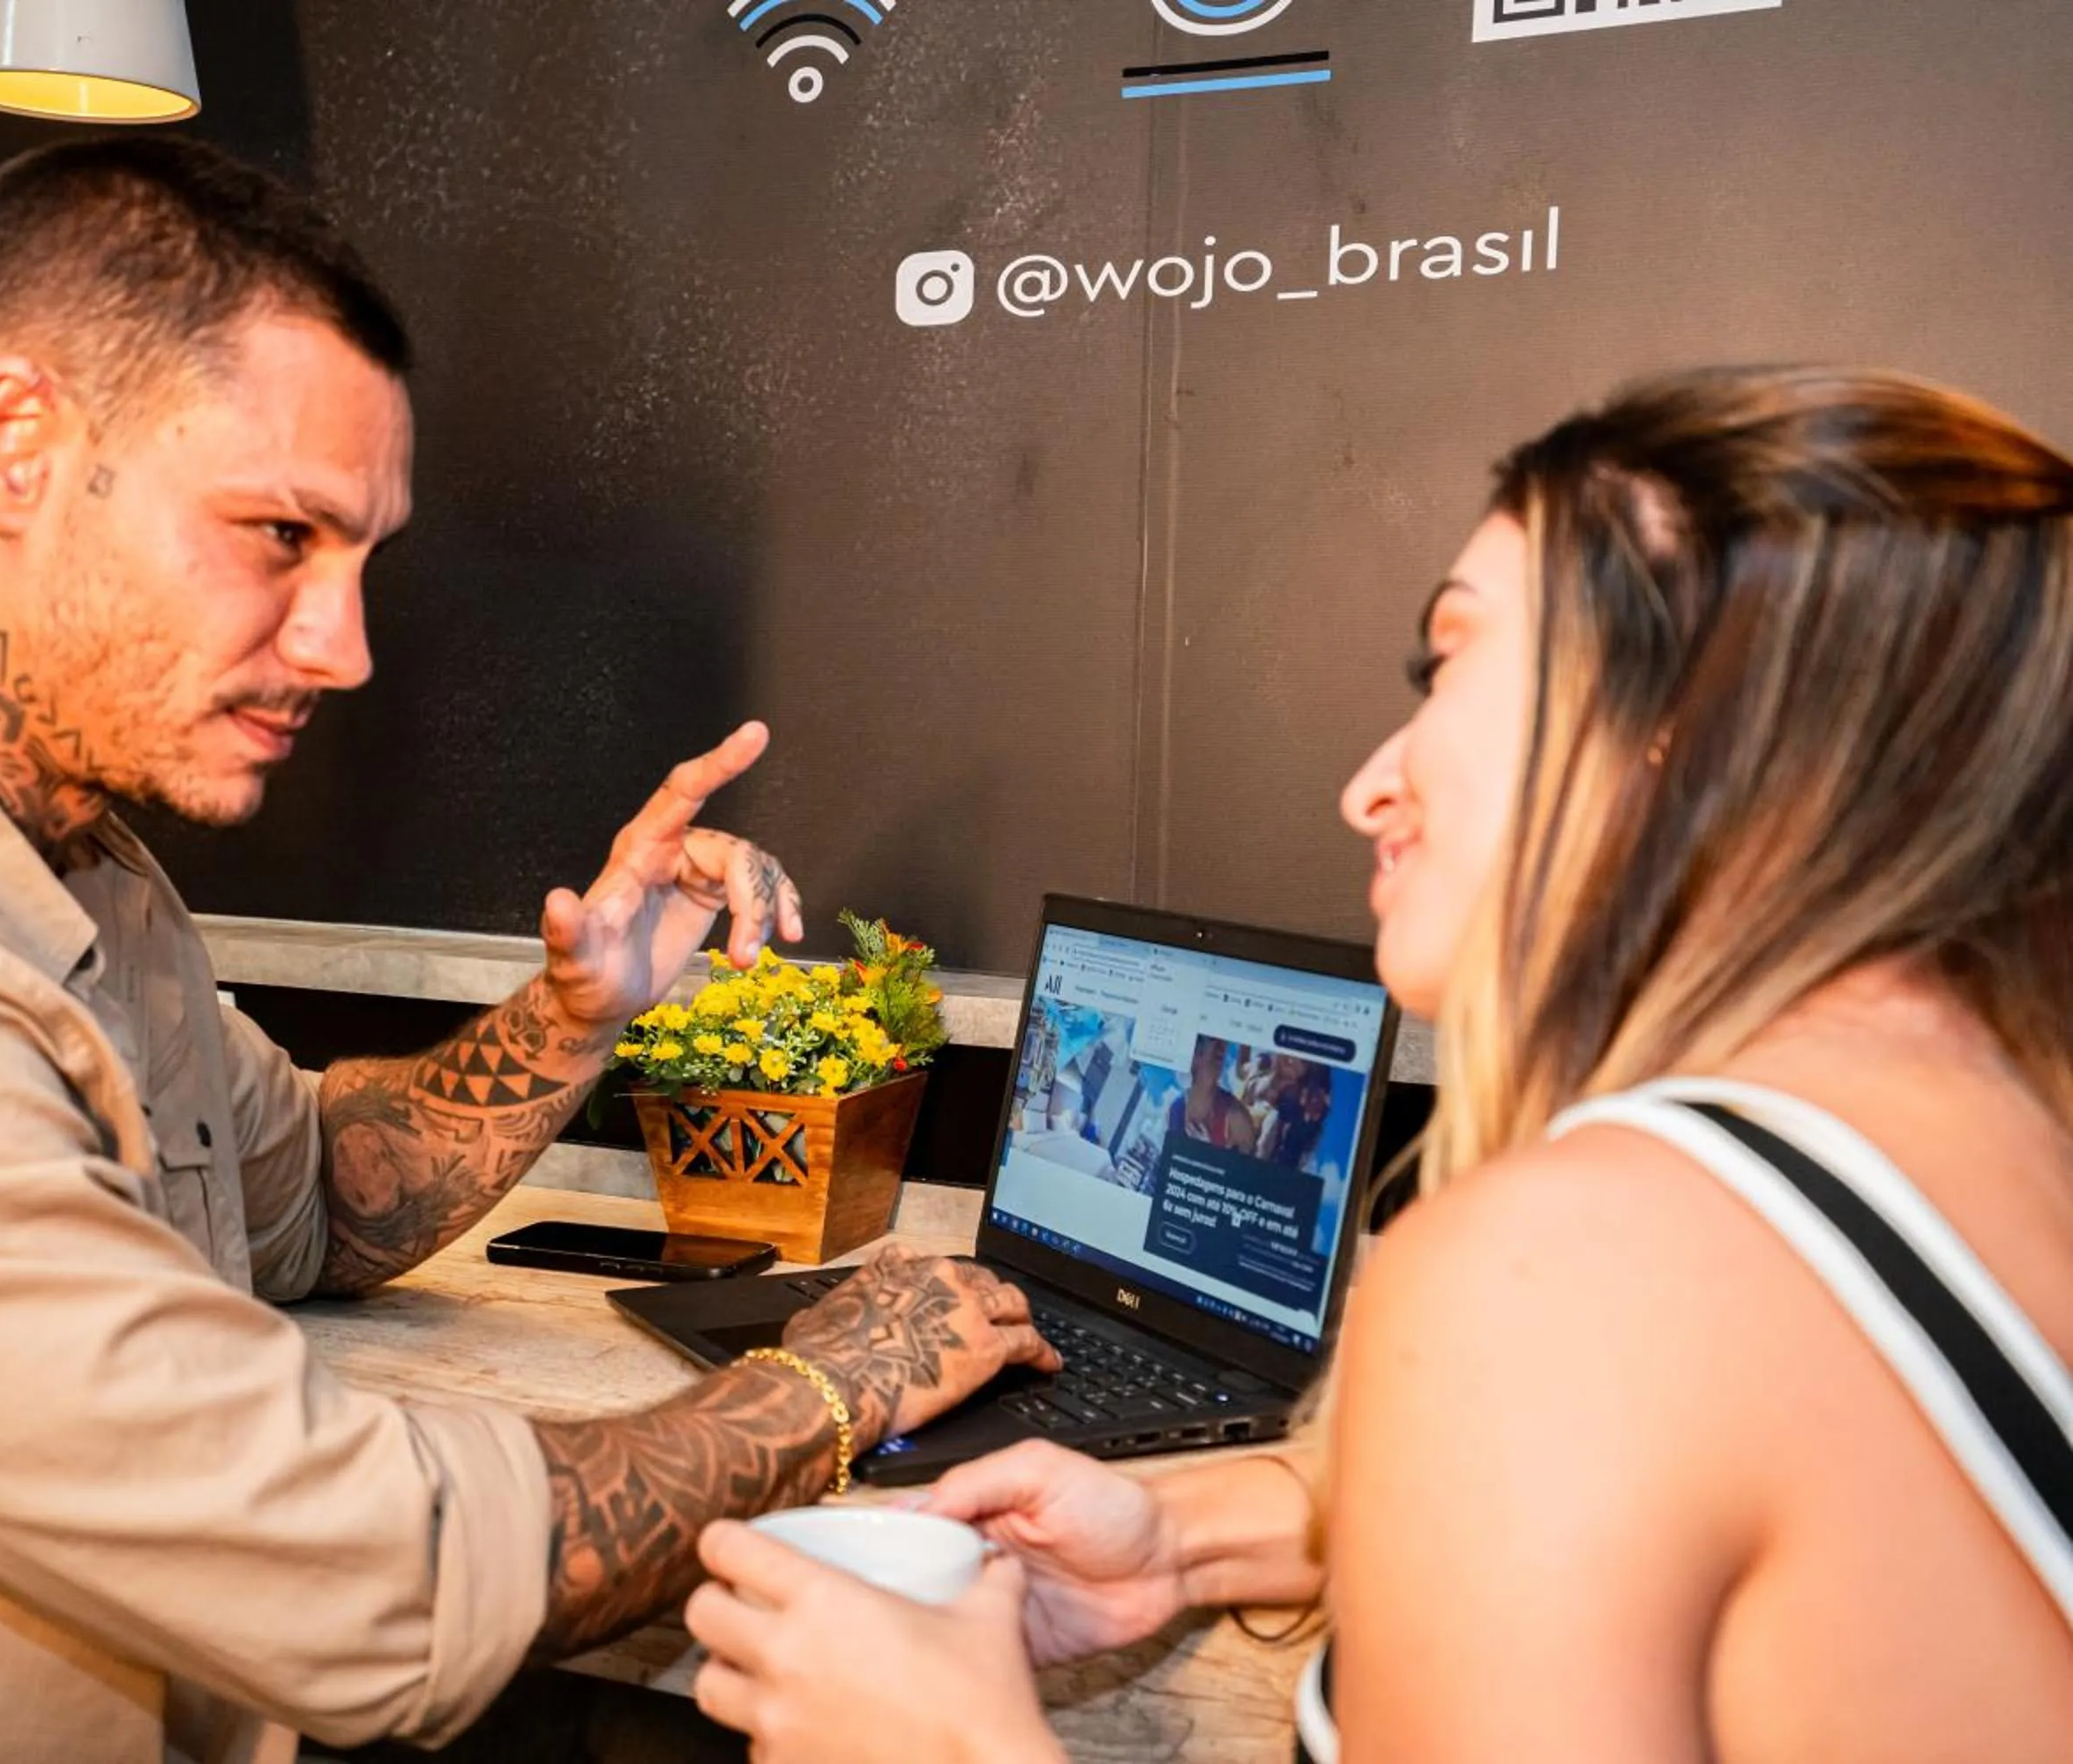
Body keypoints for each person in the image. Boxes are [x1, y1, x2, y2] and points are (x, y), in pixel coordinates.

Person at [0, 138, 1058, 1760]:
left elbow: (312, 1201)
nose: (344, 647)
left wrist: (577, 1014)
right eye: (281, 534)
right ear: (13, 444)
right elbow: (376, 1581)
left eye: (363, 558)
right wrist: (829, 1386)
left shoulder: (59, 855)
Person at [681, 367, 2073, 1761]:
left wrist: (949, 1747)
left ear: (1692, 739)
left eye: (1451, 664)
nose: (1372, 786)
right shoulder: (2001, 1148)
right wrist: (1188, 1540)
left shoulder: (1570, 1263)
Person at [1166, 1035, 1261, 1153]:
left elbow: (1251, 1167)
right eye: (1212, 1039)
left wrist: (1210, 1154)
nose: (1221, 1047)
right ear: (1194, 1056)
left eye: (1224, 1041)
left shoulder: (1236, 1117)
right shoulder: (1176, 1111)